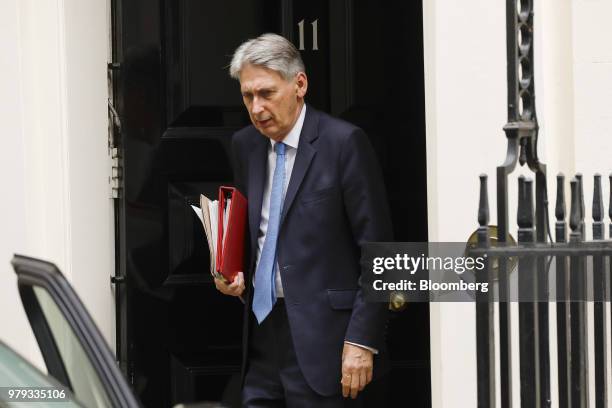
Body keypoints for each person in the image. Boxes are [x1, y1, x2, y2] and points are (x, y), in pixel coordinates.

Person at [214, 33, 392, 407]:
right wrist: (229, 274)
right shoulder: (245, 145)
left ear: (300, 84)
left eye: (266, 93)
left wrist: (362, 341)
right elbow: (254, 235)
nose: (257, 107)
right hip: (262, 338)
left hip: (327, 342)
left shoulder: (344, 144)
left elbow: (378, 251)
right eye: (248, 96)